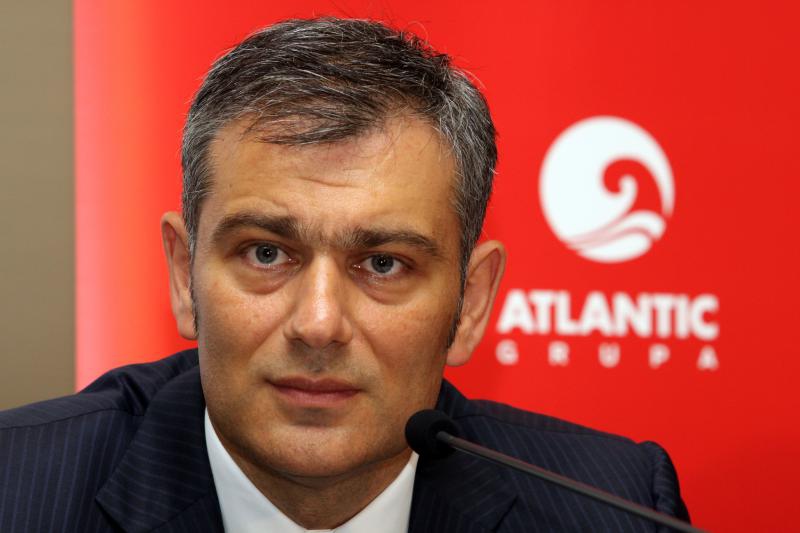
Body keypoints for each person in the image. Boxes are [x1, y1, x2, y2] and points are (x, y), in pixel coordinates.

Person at [0, 17, 690, 532]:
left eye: (383, 263)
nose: (318, 323)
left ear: (471, 302)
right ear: (185, 275)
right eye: (266, 253)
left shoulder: (617, 508)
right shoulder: (17, 491)